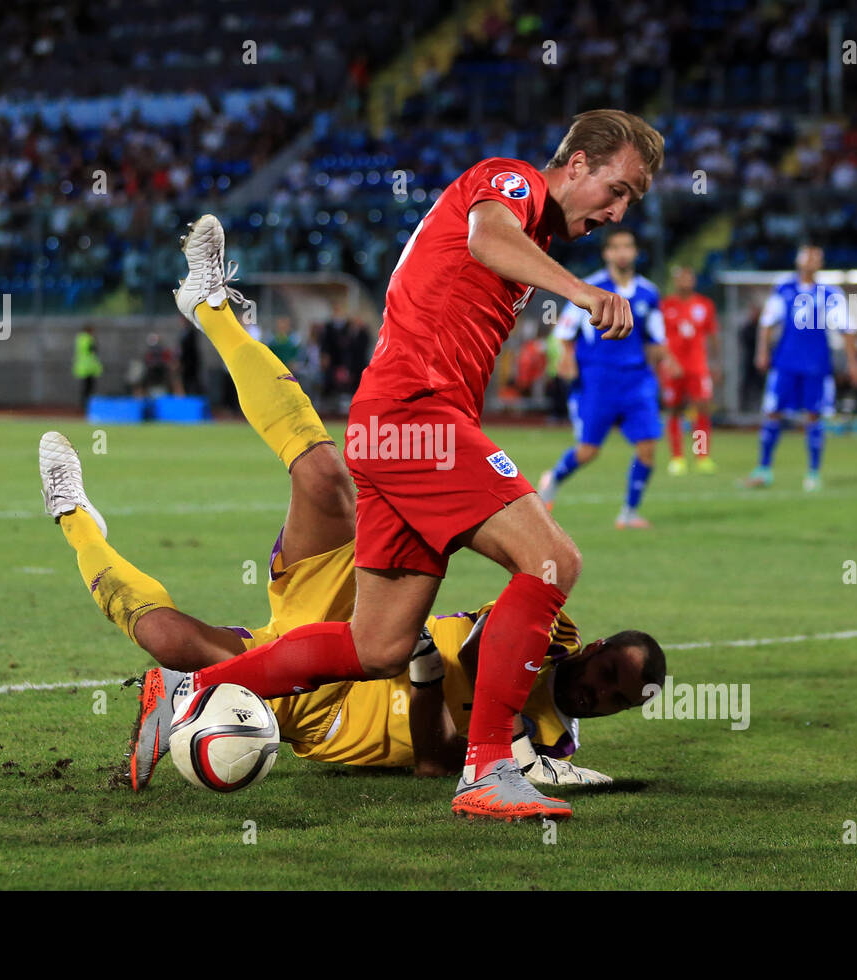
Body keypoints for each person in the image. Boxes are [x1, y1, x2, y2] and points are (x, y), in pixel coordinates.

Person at [153, 108, 663, 821]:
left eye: (630, 203)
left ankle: (194, 689)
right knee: (552, 563)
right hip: (417, 416)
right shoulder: (510, 183)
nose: (616, 212)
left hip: (395, 424)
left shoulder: (531, 230)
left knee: (379, 645)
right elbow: (487, 236)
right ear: (576, 164)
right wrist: (581, 293)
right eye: (619, 190)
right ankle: (487, 768)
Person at [37, 325, 665, 790]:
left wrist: (424, 676)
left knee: (168, 640)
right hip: (356, 620)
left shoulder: (555, 746)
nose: (597, 693)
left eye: (616, 699)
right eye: (608, 674)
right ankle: (213, 308)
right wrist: (513, 738)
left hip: (325, 713)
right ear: (596, 648)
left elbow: (434, 763)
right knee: (322, 478)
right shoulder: (553, 628)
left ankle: (75, 521)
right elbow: (477, 651)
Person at [536, 228, 674, 529]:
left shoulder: (649, 293)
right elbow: (563, 334)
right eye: (617, 247)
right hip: (598, 379)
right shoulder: (590, 289)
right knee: (588, 451)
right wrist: (565, 361)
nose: (623, 252)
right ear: (607, 254)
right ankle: (554, 478)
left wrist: (667, 360)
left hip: (637, 380)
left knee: (648, 445)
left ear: (635, 252)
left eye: (628, 246)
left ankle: (629, 512)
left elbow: (655, 337)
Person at [744, 244, 857, 492]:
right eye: (807, 256)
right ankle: (764, 469)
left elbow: (847, 328)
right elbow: (767, 322)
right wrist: (762, 351)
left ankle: (813, 473)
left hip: (816, 365)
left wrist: (853, 362)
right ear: (798, 260)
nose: (810, 261)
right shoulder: (784, 288)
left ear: (821, 263)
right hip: (785, 362)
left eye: (815, 257)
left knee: (814, 415)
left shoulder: (830, 293)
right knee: (773, 412)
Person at [660, 265, 722, 475]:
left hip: (698, 367)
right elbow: (658, 338)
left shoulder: (704, 305)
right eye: (682, 278)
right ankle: (677, 458)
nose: (686, 281)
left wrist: (715, 363)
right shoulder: (665, 305)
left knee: (701, 410)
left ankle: (701, 456)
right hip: (673, 368)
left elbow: (712, 336)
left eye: (690, 277)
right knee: (675, 410)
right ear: (675, 281)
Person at [73, 325, 102, 413]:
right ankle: (87, 407)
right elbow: (92, 350)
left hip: (83, 367)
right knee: (89, 389)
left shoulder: (79, 338)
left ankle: (84, 406)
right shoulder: (88, 338)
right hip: (88, 368)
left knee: (85, 389)